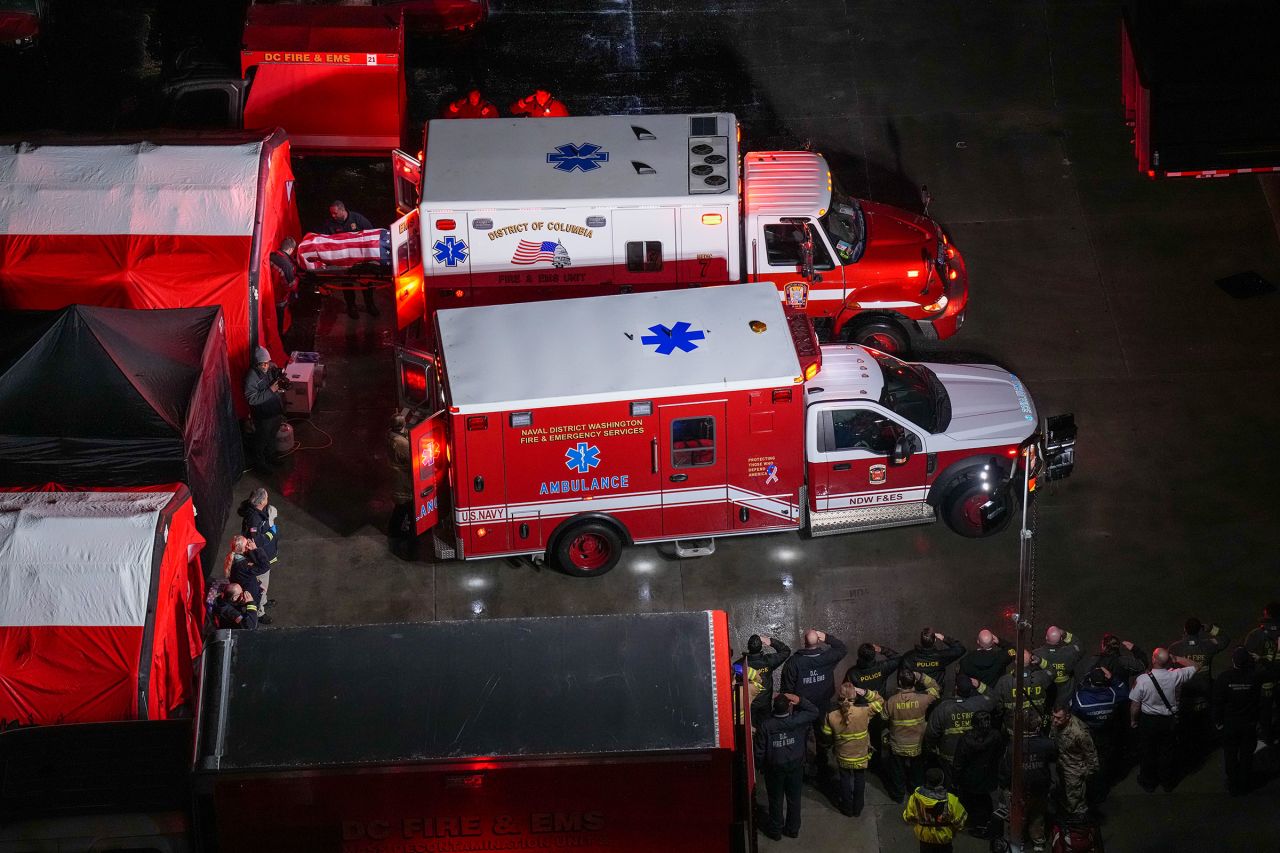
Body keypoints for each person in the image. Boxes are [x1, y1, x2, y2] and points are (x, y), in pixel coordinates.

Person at [780, 629, 847, 780]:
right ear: (818, 641)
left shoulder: (794, 662)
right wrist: (827, 637)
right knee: (822, 736)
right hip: (823, 704)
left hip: (802, 707)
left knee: (801, 737)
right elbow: (842, 648)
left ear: (804, 642)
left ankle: (802, 770)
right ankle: (822, 766)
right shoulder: (827, 657)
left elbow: (787, 689)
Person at [1128, 647, 1198, 792]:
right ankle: (1167, 781)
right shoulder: (1176, 675)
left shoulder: (1142, 680)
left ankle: (1148, 782)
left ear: (1153, 659)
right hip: (1169, 721)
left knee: (1148, 751)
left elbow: (1135, 705)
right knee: (1167, 751)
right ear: (1168, 661)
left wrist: (1133, 721)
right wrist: (1176, 658)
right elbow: (1196, 666)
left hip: (1149, 721)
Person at [754, 693, 819, 840]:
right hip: (796, 766)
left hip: (774, 768)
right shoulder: (797, 721)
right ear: (789, 706)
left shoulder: (766, 726)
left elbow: (760, 750)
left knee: (775, 800)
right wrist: (800, 699)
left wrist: (759, 766)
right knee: (794, 799)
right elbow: (814, 711)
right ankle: (793, 829)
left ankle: (776, 831)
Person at [1169, 617, 1230, 764]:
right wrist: (1211, 628)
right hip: (1205, 691)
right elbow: (1225, 638)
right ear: (1200, 630)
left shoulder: (1175, 648)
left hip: (1185, 693)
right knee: (1203, 722)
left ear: (1184, 630)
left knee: (1185, 723)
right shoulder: (1208, 645)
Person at [1069, 666, 1128, 804]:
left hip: (1088, 734)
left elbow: (1072, 713)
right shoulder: (1113, 694)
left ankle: (1087, 790)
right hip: (1106, 734)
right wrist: (1112, 678)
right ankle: (1100, 790)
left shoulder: (1080, 699)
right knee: (1103, 763)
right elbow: (1125, 691)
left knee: (1086, 762)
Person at [821, 682, 882, 816]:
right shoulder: (865, 710)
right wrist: (865, 692)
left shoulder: (830, 715)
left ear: (839, 696)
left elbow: (826, 736)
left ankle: (847, 809)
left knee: (844, 780)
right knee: (860, 779)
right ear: (855, 695)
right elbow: (880, 701)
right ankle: (858, 808)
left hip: (842, 754)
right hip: (861, 754)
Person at [1000, 709, 1056, 853]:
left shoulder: (1013, 748)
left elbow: (1006, 771)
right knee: (1037, 816)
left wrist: (1005, 787)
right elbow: (1053, 759)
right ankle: (1038, 842)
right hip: (1040, 788)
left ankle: (1019, 842)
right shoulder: (1046, 744)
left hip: (1019, 790)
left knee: (1019, 817)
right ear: (1037, 726)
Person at [883, 669, 940, 802]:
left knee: (897, 771)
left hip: (898, 744)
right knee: (917, 771)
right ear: (914, 682)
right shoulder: (923, 698)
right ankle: (917, 795)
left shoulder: (891, 701)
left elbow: (883, 716)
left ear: (898, 682)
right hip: (917, 744)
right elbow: (936, 687)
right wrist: (921, 676)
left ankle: (898, 796)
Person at [927, 672, 996, 781]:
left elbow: (931, 733)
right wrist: (979, 685)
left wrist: (933, 750)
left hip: (949, 756)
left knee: (950, 783)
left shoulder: (943, 708)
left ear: (956, 688)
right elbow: (994, 697)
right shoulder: (981, 703)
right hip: (973, 754)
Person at [1214, 647, 1263, 795]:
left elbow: (1218, 702)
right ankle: (1245, 783)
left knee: (1230, 753)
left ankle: (1233, 783)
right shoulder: (1255, 677)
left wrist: (1217, 721)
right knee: (1247, 754)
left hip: (1230, 724)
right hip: (1248, 723)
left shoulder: (1224, 678)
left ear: (1233, 660)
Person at [320, 200, 379, 318]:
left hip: (360, 260)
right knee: (347, 285)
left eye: (335, 213)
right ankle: (351, 307)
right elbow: (324, 239)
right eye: (331, 213)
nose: (333, 216)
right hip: (343, 261)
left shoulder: (358, 220)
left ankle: (370, 305)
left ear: (342, 210)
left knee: (366, 282)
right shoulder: (330, 224)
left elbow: (371, 233)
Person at [951, 710, 1001, 838]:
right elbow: (1000, 754)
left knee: (970, 802)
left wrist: (955, 780)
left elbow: (959, 762)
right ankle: (985, 822)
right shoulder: (995, 736)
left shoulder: (966, 740)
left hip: (969, 778)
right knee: (984, 801)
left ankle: (974, 825)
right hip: (988, 776)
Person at [902, 767, 967, 853]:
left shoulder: (915, 798)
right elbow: (960, 821)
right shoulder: (951, 800)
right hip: (944, 838)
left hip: (925, 837)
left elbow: (908, 817)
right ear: (942, 781)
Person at [243, 346, 286, 473]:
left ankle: (271, 456)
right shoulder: (251, 377)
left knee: (272, 436)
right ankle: (260, 464)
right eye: (263, 364)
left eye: (267, 363)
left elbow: (275, 387)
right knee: (261, 440)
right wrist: (271, 390)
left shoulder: (270, 370)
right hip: (263, 416)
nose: (266, 366)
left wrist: (280, 389)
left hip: (274, 412)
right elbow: (252, 399)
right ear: (256, 364)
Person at [1050, 705, 1098, 816]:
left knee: (1074, 800)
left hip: (1074, 769)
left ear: (1067, 716)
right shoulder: (1056, 723)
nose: (1055, 720)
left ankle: (1077, 821)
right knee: (1063, 792)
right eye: (1054, 716)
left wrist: (1089, 773)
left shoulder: (1079, 732)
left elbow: (1091, 754)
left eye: (1058, 718)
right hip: (1061, 763)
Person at [1243, 602, 1280, 746]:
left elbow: (1247, 657)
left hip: (1265, 681)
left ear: (1268, 615)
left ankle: (1266, 735)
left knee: (1265, 709)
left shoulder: (1256, 634)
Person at [238, 488, 278, 614]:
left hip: (265, 554)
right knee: (261, 586)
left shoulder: (260, 512)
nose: (268, 500)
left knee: (264, 585)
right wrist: (271, 533)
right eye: (266, 498)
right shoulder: (254, 519)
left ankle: (264, 602)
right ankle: (260, 612)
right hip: (259, 558)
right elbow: (256, 541)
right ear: (260, 503)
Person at [993, 650, 1055, 724]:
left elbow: (997, 704)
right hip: (1037, 726)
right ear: (1031, 661)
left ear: (1015, 662)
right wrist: (1040, 661)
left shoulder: (1004, 681)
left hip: (1013, 728)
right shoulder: (1041, 677)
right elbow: (1053, 672)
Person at [744, 633, 792, 724]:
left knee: (750, 729)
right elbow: (786, 651)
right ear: (761, 646)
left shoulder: (741, 664)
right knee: (765, 728)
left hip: (749, 704)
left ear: (748, 647)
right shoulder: (769, 661)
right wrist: (771, 641)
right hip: (765, 704)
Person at [387, 413, 415, 560]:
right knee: (407, 508)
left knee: (399, 508)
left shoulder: (391, 436)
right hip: (404, 483)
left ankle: (393, 531)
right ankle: (407, 539)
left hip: (397, 481)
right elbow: (413, 460)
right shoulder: (402, 443)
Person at [1034, 625, 1082, 708]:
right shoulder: (1070, 652)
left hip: (1046, 691)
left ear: (1046, 637)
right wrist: (1065, 634)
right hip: (1067, 691)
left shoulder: (1036, 654)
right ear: (1060, 639)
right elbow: (1079, 645)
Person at [269, 236, 299, 337]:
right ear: (291, 249)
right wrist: (298, 279)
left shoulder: (271, 256)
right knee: (279, 321)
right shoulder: (286, 264)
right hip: (279, 298)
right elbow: (292, 286)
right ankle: (280, 337)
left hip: (268, 295)